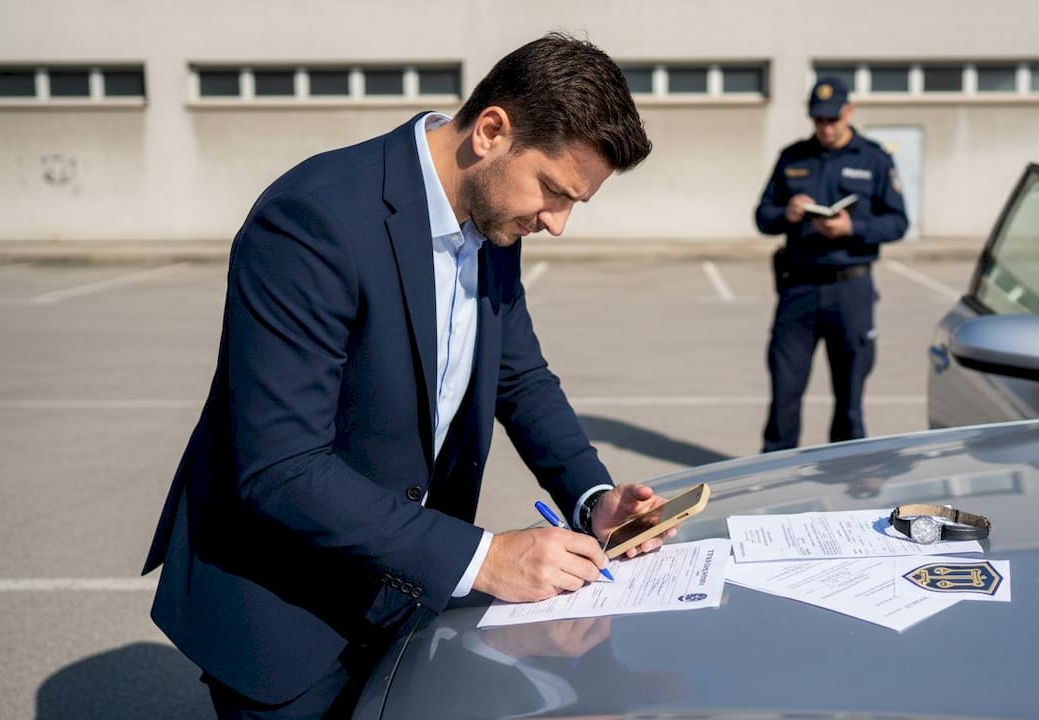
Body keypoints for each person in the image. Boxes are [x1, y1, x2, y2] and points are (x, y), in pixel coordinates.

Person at [141, 33, 667, 718]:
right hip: (282, 610)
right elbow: (281, 468)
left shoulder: (493, 220)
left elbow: (519, 378)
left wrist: (592, 496)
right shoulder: (313, 220)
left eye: (575, 203)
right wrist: (487, 559)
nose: (558, 223)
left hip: (404, 587)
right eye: (553, 191)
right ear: (491, 131)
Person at [754, 75, 909, 452]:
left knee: (850, 397)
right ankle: (777, 470)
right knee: (785, 392)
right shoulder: (793, 157)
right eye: (818, 119)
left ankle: (846, 472)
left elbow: (898, 222)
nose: (825, 127)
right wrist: (788, 213)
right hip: (799, 288)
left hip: (850, 288)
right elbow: (762, 216)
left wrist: (852, 227)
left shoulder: (874, 159)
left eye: (832, 119)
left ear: (849, 112)